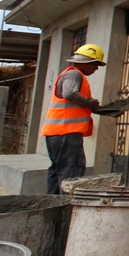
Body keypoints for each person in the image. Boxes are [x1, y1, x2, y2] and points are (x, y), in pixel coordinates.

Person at [41, 43, 108, 194]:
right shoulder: (74, 74)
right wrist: (88, 102)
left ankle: (53, 206)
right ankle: (66, 208)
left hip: (56, 133)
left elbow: (73, 102)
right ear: (86, 62)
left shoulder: (70, 74)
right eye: (95, 65)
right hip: (66, 133)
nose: (96, 69)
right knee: (71, 172)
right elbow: (70, 94)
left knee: (57, 170)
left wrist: (98, 108)